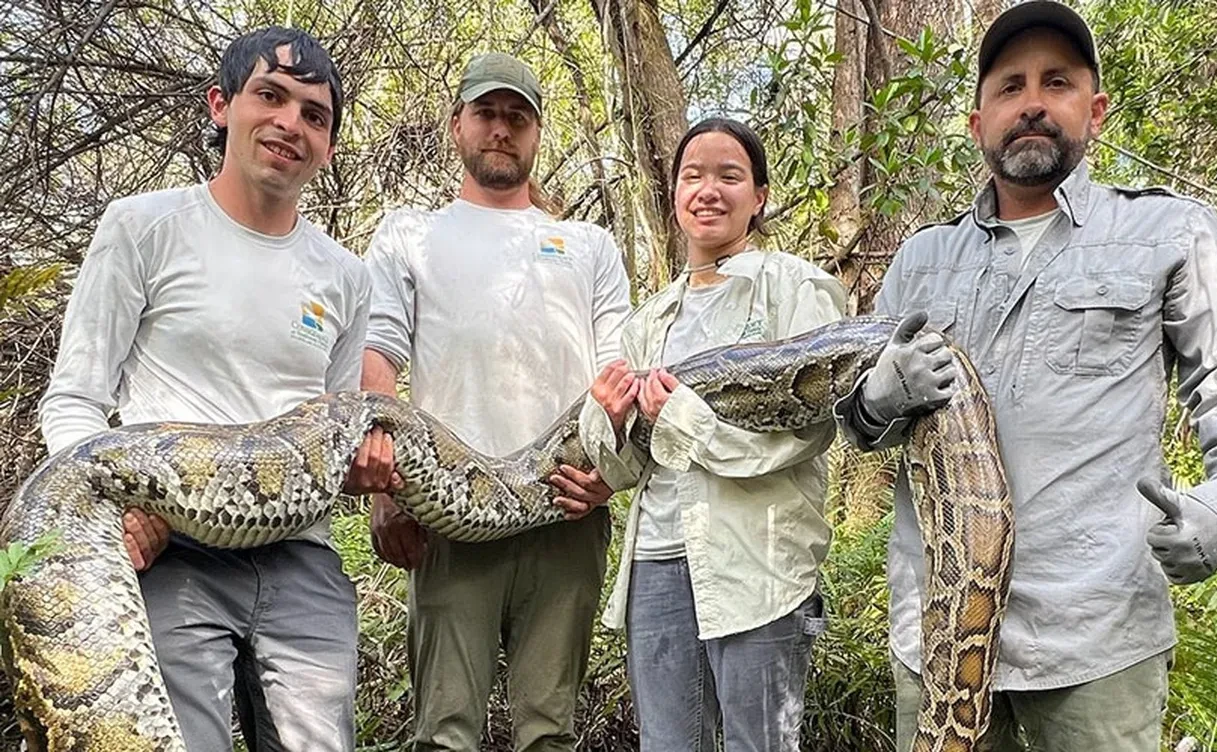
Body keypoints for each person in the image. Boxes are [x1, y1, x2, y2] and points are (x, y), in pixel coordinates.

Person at [836, 3, 1217, 749]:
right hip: (934, 641)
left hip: (1095, 644)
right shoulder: (919, 261)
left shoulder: (1170, 233)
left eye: (1058, 82)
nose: (1033, 102)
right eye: (1010, 86)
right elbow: (855, 424)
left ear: (1094, 110)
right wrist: (877, 397)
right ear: (979, 122)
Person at [37, 26, 394, 751]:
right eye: (271, 96)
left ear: (327, 145)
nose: (290, 124)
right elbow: (73, 397)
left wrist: (367, 472)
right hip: (174, 552)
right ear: (221, 105)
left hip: (302, 558)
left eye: (315, 115)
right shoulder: (143, 227)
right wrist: (118, 514)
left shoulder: (347, 275)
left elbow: (338, 425)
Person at [360, 52, 632, 751]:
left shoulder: (588, 244)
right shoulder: (408, 234)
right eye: (487, 113)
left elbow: (619, 373)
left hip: (566, 510)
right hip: (450, 516)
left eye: (519, 117)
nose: (502, 129)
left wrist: (610, 477)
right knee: (444, 733)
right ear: (458, 125)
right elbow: (379, 359)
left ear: (537, 133)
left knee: (549, 732)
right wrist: (386, 493)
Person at [580, 117, 844, 751]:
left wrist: (688, 423)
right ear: (672, 194)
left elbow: (810, 428)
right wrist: (610, 423)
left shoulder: (795, 287)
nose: (709, 190)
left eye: (730, 176)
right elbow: (624, 468)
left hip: (759, 562)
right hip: (657, 562)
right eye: (692, 175)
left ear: (759, 197)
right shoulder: (649, 319)